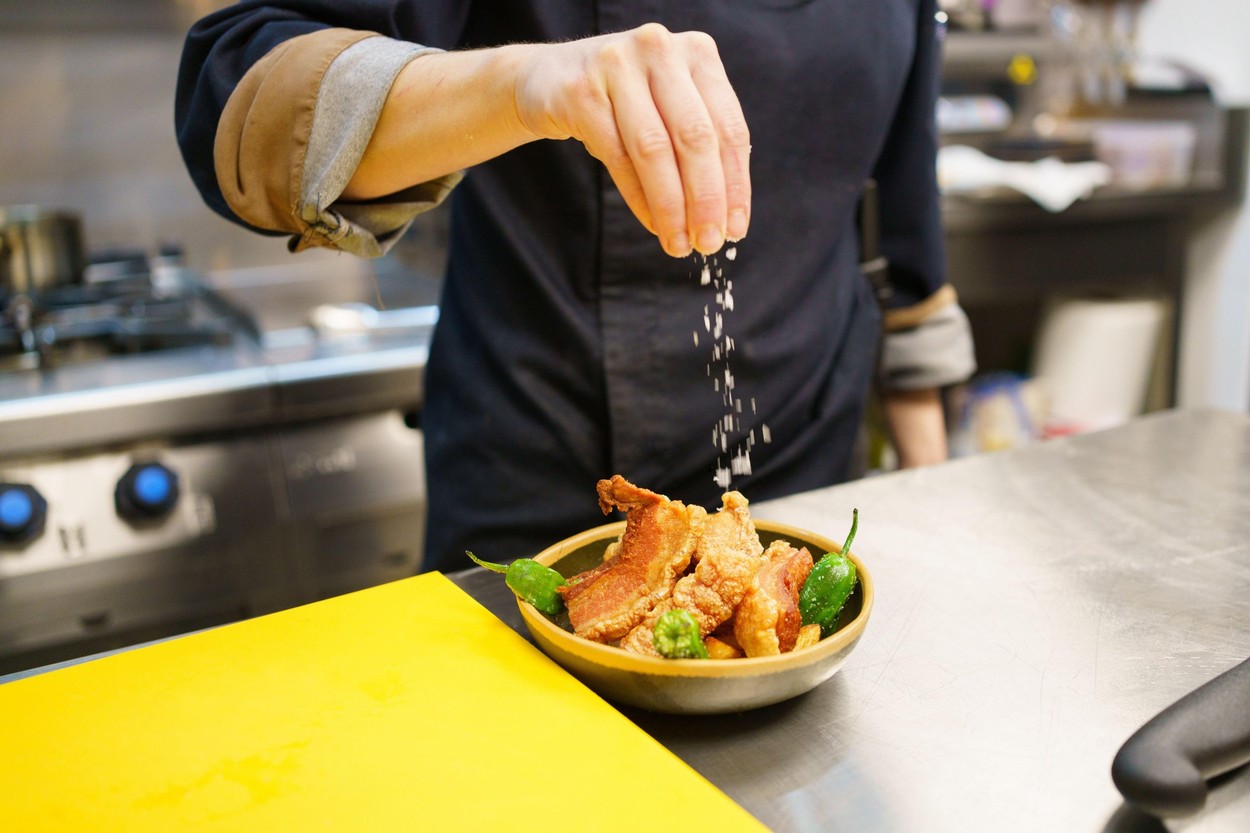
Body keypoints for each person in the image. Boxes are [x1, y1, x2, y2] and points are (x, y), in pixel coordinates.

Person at [176, 0, 975, 574]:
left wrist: (932, 518)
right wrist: (520, 83)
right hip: (540, 481)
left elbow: (906, 249)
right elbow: (239, 80)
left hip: (808, 476)